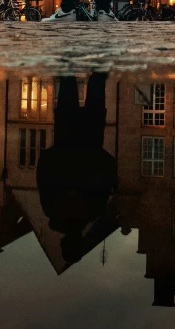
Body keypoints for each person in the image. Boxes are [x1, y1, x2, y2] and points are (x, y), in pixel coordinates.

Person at [36, 73, 117, 265]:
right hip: (66, 132)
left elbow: (108, 169)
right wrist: (56, 152)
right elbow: (43, 172)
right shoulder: (52, 210)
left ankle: (101, 48)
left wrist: (96, 153)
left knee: (96, 80)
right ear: (63, 243)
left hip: (92, 133)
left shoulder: (93, 210)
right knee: (67, 79)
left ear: (80, 241)